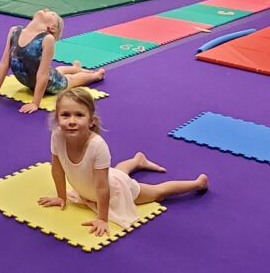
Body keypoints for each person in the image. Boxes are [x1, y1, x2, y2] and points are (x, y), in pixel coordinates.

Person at [38, 87, 209, 236]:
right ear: (57, 118)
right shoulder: (57, 136)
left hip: (114, 192)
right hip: (94, 185)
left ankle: (197, 184)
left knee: (158, 192)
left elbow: (102, 187)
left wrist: (102, 219)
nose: (72, 121)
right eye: (65, 115)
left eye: (79, 115)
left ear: (91, 121)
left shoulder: (97, 145)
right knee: (117, 172)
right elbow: (58, 169)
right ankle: (138, 160)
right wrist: (61, 197)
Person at [0, 9, 105, 113]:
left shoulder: (46, 39)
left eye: (52, 13)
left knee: (70, 80)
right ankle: (75, 68)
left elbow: (44, 74)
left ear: (52, 28)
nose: (46, 9)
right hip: (34, 79)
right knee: (56, 71)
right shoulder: (14, 31)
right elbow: (5, 62)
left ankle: (95, 75)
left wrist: (35, 103)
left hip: (49, 83)